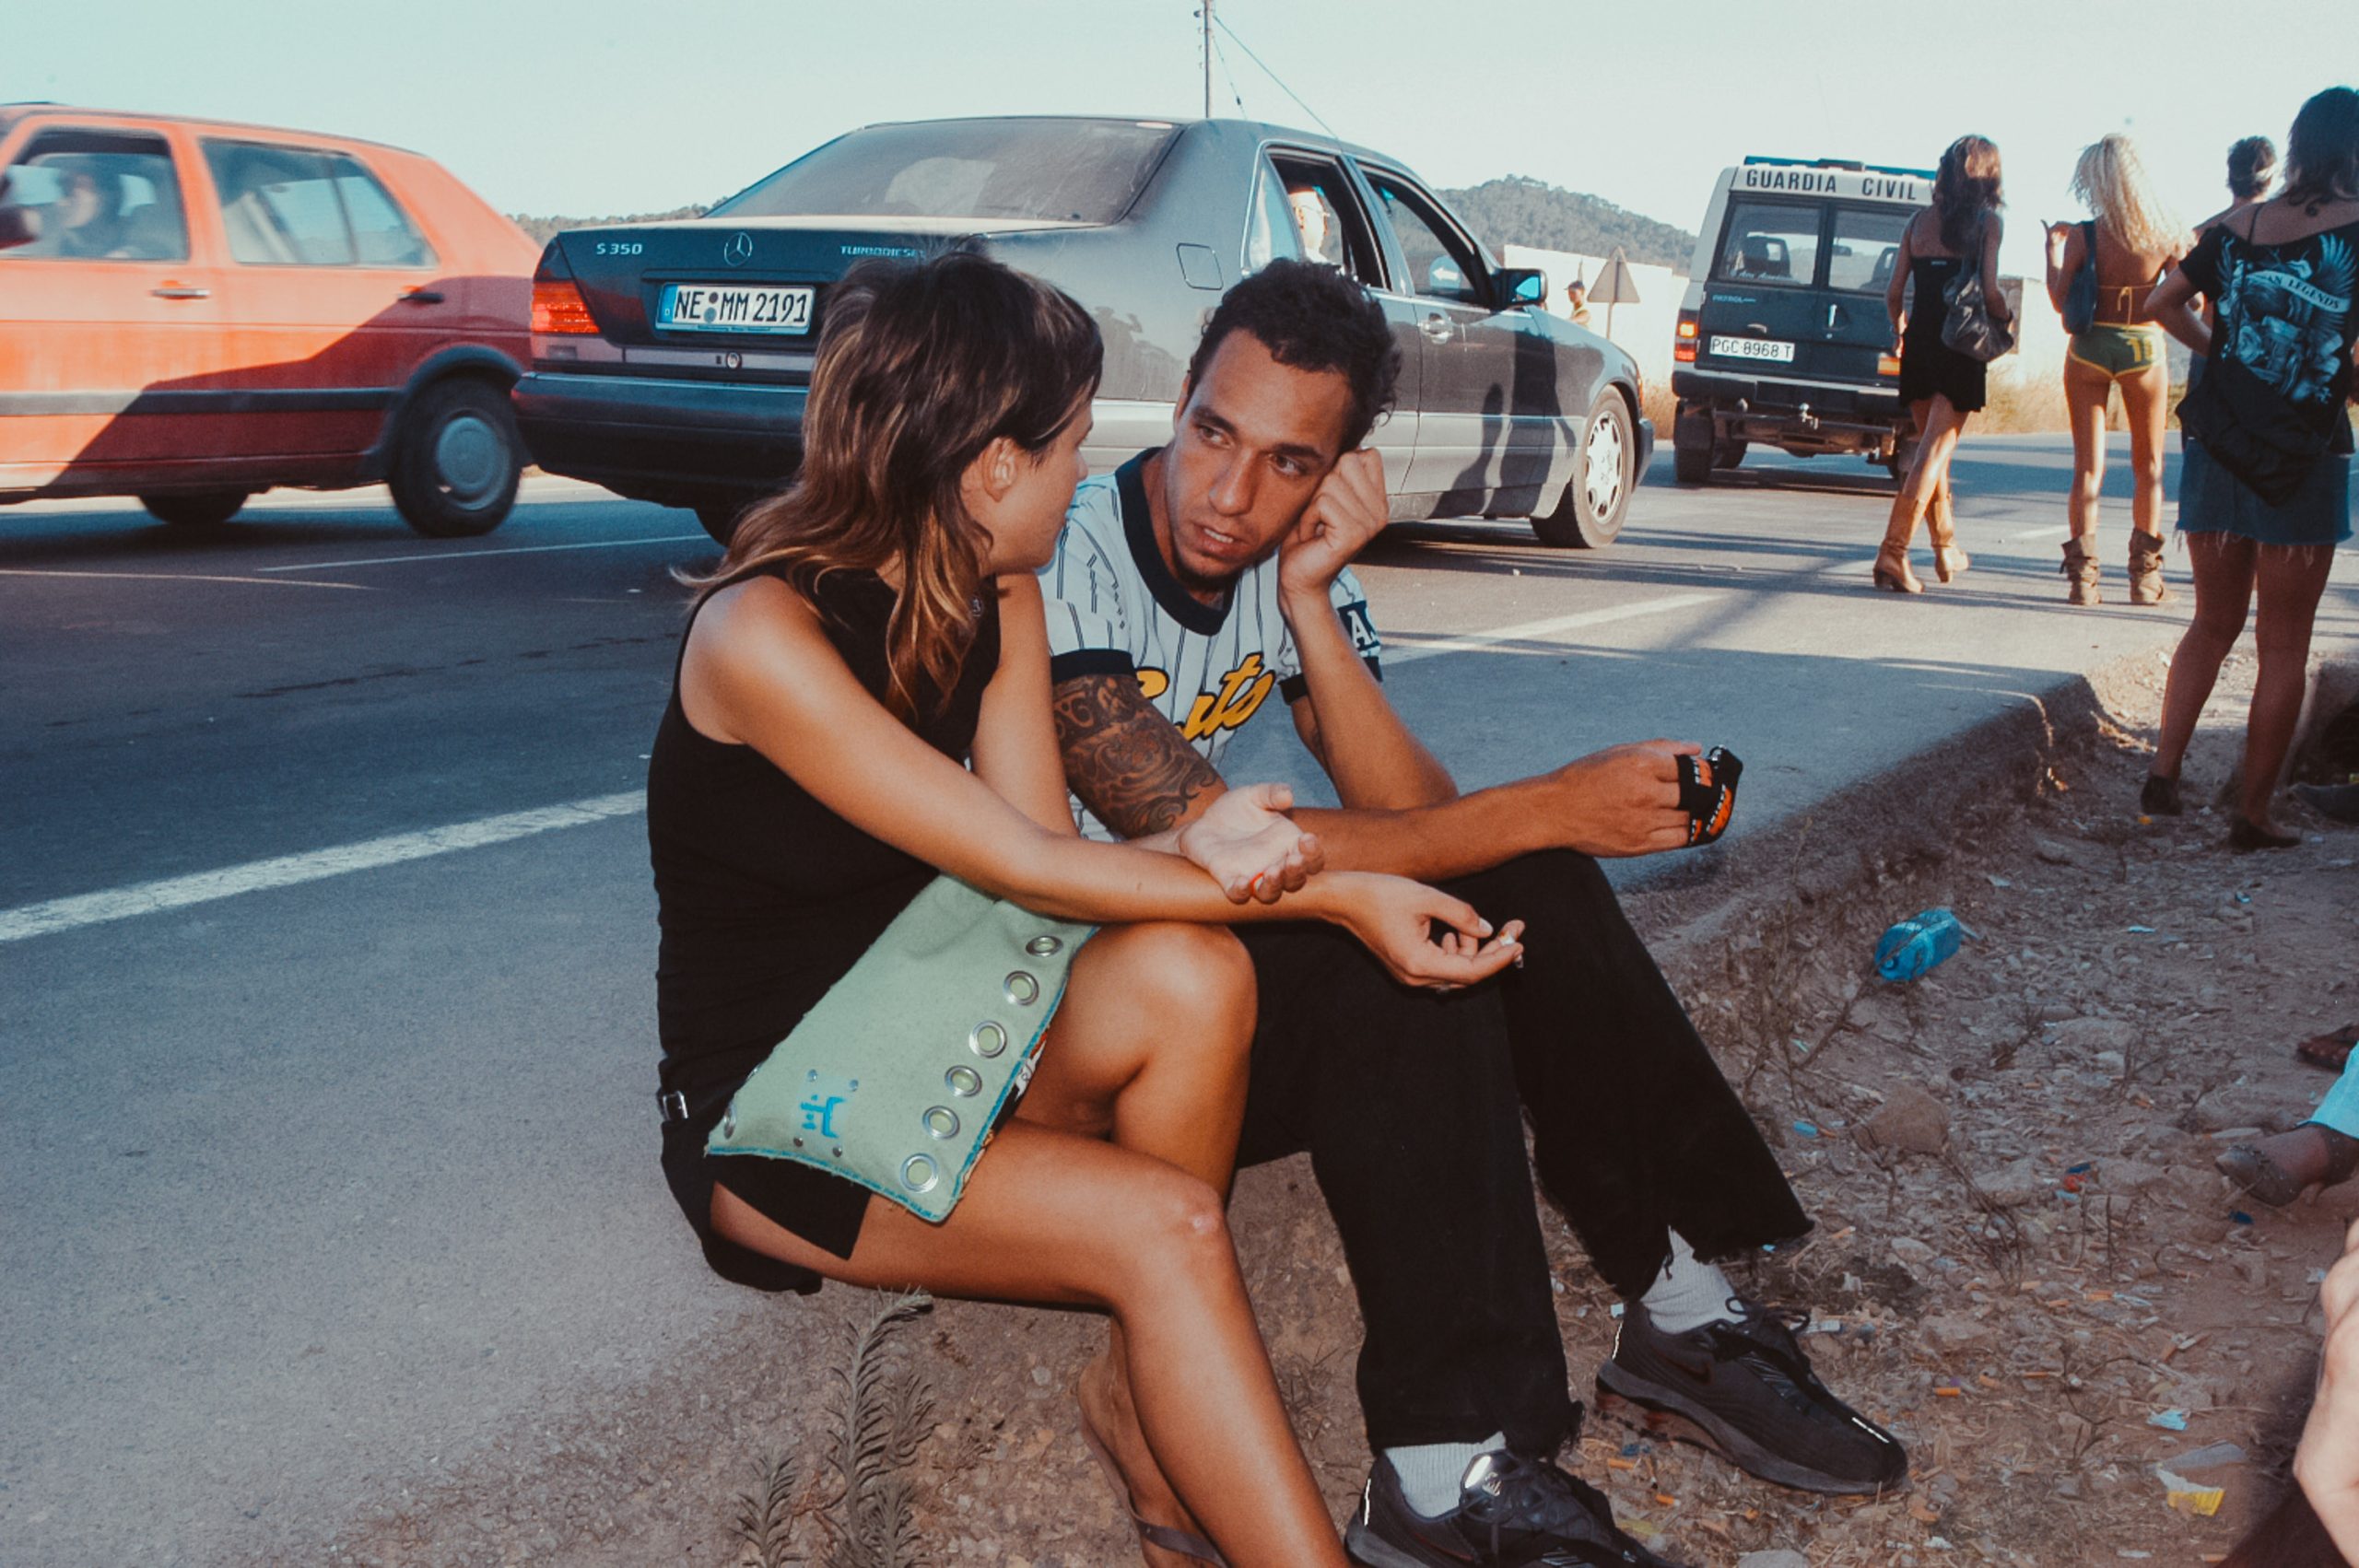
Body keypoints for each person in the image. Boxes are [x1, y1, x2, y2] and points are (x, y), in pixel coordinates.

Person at [648, 252, 1526, 1568]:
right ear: (994, 465)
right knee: (1162, 1227)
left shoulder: (999, 587)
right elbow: (1029, 865)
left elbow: (1051, 857)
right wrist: (1337, 897)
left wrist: (1214, 842)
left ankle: (1148, 1387)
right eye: (1069, 443)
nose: (1092, 472)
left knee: (1192, 972)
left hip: (928, 1020)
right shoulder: (761, 636)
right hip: (784, 1115)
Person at [1039, 258, 1904, 1568]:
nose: (1229, 493)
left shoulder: (1285, 559)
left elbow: (1411, 807)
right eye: (1214, 431)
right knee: (1419, 930)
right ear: (1183, 396)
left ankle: (1673, 1302)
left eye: (1287, 461)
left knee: (1523, 882)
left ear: (1340, 467)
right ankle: (1446, 1468)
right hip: (1104, 1033)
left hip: (1208, 998)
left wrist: (1316, 606)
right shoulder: (1070, 558)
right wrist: (1546, 804)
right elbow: (1239, 853)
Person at [2142, 86, 2359, 851]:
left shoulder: (2235, 226)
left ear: (2299, 147)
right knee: (2283, 644)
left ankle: (2163, 778)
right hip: (2306, 455)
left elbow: (2161, 303)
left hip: (2220, 444)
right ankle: (2253, 815)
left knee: (2211, 622)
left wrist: (2223, 355)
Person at [2043, 135, 2187, 606]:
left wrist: (2052, 253)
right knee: (2149, 467)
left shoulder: (2086, 235)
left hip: (2089, 348)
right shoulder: (2164, 234)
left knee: (2087, 469)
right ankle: (2145, 579)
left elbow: (2063, 302)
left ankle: (2083, 580)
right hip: (2144, 346)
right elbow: (2197, 299)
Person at [1876, 135, 2012, 594]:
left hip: (1920, 343)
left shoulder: (1916, 223)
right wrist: (2005, 316)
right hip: (1961, 346)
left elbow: (1894, 292)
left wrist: (1899, 330)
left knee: (1933, 455)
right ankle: (1893, 552)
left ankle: (1946, 546)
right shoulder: (1988, 224)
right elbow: (1991, 291)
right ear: (1988, 177)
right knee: (1934, 453)